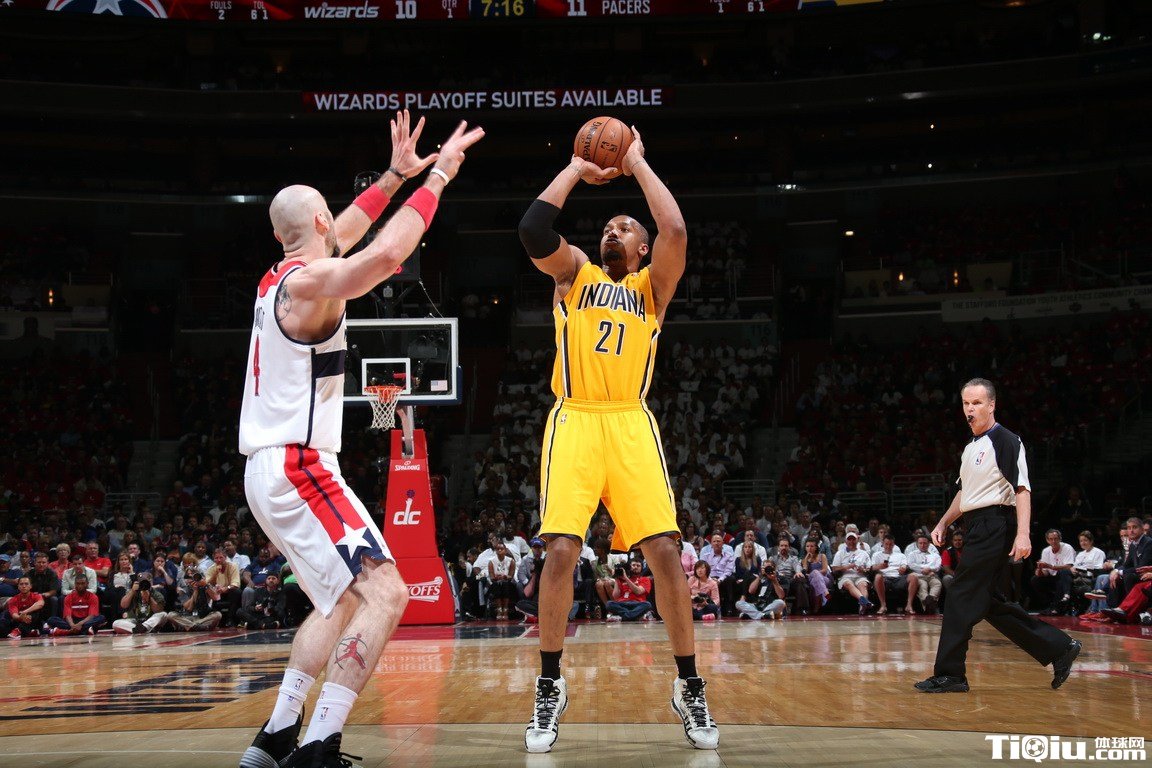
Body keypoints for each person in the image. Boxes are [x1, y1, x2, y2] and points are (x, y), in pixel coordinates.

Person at [237, 111, 484, 768]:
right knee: (388, 593)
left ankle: (277, 735)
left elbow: (346, 230)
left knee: (340, 600)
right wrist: (438, 177)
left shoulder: (279, 276)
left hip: (270, 468)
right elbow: (386, 255)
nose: (337, 226)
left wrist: (395, 176)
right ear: (319, 223)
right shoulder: (311, 285)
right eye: (331, 219)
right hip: (299, 467)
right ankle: (320, 745)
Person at [518, 128, 717, 753]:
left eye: (626, 227)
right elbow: (533, 230)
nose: (614, 231)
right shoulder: (574, 272)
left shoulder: (652, 288)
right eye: (608, 226)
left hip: (630, 421)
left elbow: (676, 229)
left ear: (642, 246)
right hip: (575, 418)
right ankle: (550, 686)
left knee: (665, 552)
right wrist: (576, 169)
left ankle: (689, 685)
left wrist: (636, 163)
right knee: (560, 552)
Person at [915, 378, 1080, 694]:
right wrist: (943, 523)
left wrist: (1023, 534)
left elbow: (1022, 489)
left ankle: (951, 674)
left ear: (992, 405)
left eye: (977, 403)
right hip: (976, 525)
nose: (970, 409)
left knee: (959, 592)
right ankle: (1059, 648)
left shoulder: (1005, 440)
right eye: (966, 403)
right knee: (986, 601)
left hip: (996, 524)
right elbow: (964, 494)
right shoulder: (970, 447)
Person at [1032, 529, 1076, 616]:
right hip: (1052, 577)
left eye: (1055, 539)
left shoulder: (1067, 548)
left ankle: (1057, 606)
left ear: (1060, 539)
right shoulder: (1046, 551)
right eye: (1051, 539)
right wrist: (1040, 569)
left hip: (1065, 576)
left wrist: (1050, 566)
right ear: (1047, 540)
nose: (1053, 541)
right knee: (1035, 579)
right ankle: (1049, 604)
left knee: (1062, 573)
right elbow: (1046, 573)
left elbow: (1068, 566)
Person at [872, 534, 916, 615]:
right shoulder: (876, 555)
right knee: (878, 576)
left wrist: (903, 568)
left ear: (893, 544)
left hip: (898, 577)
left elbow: (904, 565)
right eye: (886, 544)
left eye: (890, 544)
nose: (888, 546)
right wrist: (880, 566)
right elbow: (872, 568)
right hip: (884, 578)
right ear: (883, 544)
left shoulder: (900, 555)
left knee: (913, 576)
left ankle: (909, 605)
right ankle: (883, 605)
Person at [831, 532, 874, 614]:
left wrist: (863, 570)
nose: (851, 541)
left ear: (857, 540)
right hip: (845, 576)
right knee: (849, 584)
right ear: (846, 541)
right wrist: (847, 567)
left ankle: (862, 607)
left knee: (863, 585)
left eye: (853, 539)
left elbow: (869, 568)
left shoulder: (863, 553)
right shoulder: (840, 553)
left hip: (860, 576)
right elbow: (834, 568)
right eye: (849, 539)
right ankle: (864, 601)